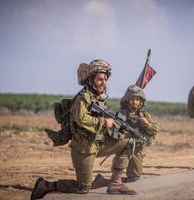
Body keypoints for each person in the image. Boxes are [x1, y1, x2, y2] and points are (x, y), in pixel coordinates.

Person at [31, 59, 137, 200]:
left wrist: (116, 129)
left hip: (98, 144)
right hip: (83, 148)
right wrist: (105, 122)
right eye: (100, 79)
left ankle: (115, 183)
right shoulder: (82, 98)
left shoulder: (97, 99)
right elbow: (82, 120)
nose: (103, 83)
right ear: (90, 79)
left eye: (105, 79)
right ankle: (45, 185)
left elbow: (99, 126)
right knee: (83, 188)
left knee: (129, 142)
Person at [91, 84, 159, 189]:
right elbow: (113, 133)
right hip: (124, 150)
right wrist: (121, 133)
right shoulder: (121, 115)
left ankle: (103, 182)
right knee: (119, 172)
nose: (135, 102)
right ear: (127, 100)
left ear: (141, 101)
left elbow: (156, 129)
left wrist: (147, 124)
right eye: (132, 99)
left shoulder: (144, 115)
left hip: (137, 150)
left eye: (137, 99)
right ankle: (114, 183)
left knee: (134, 179)